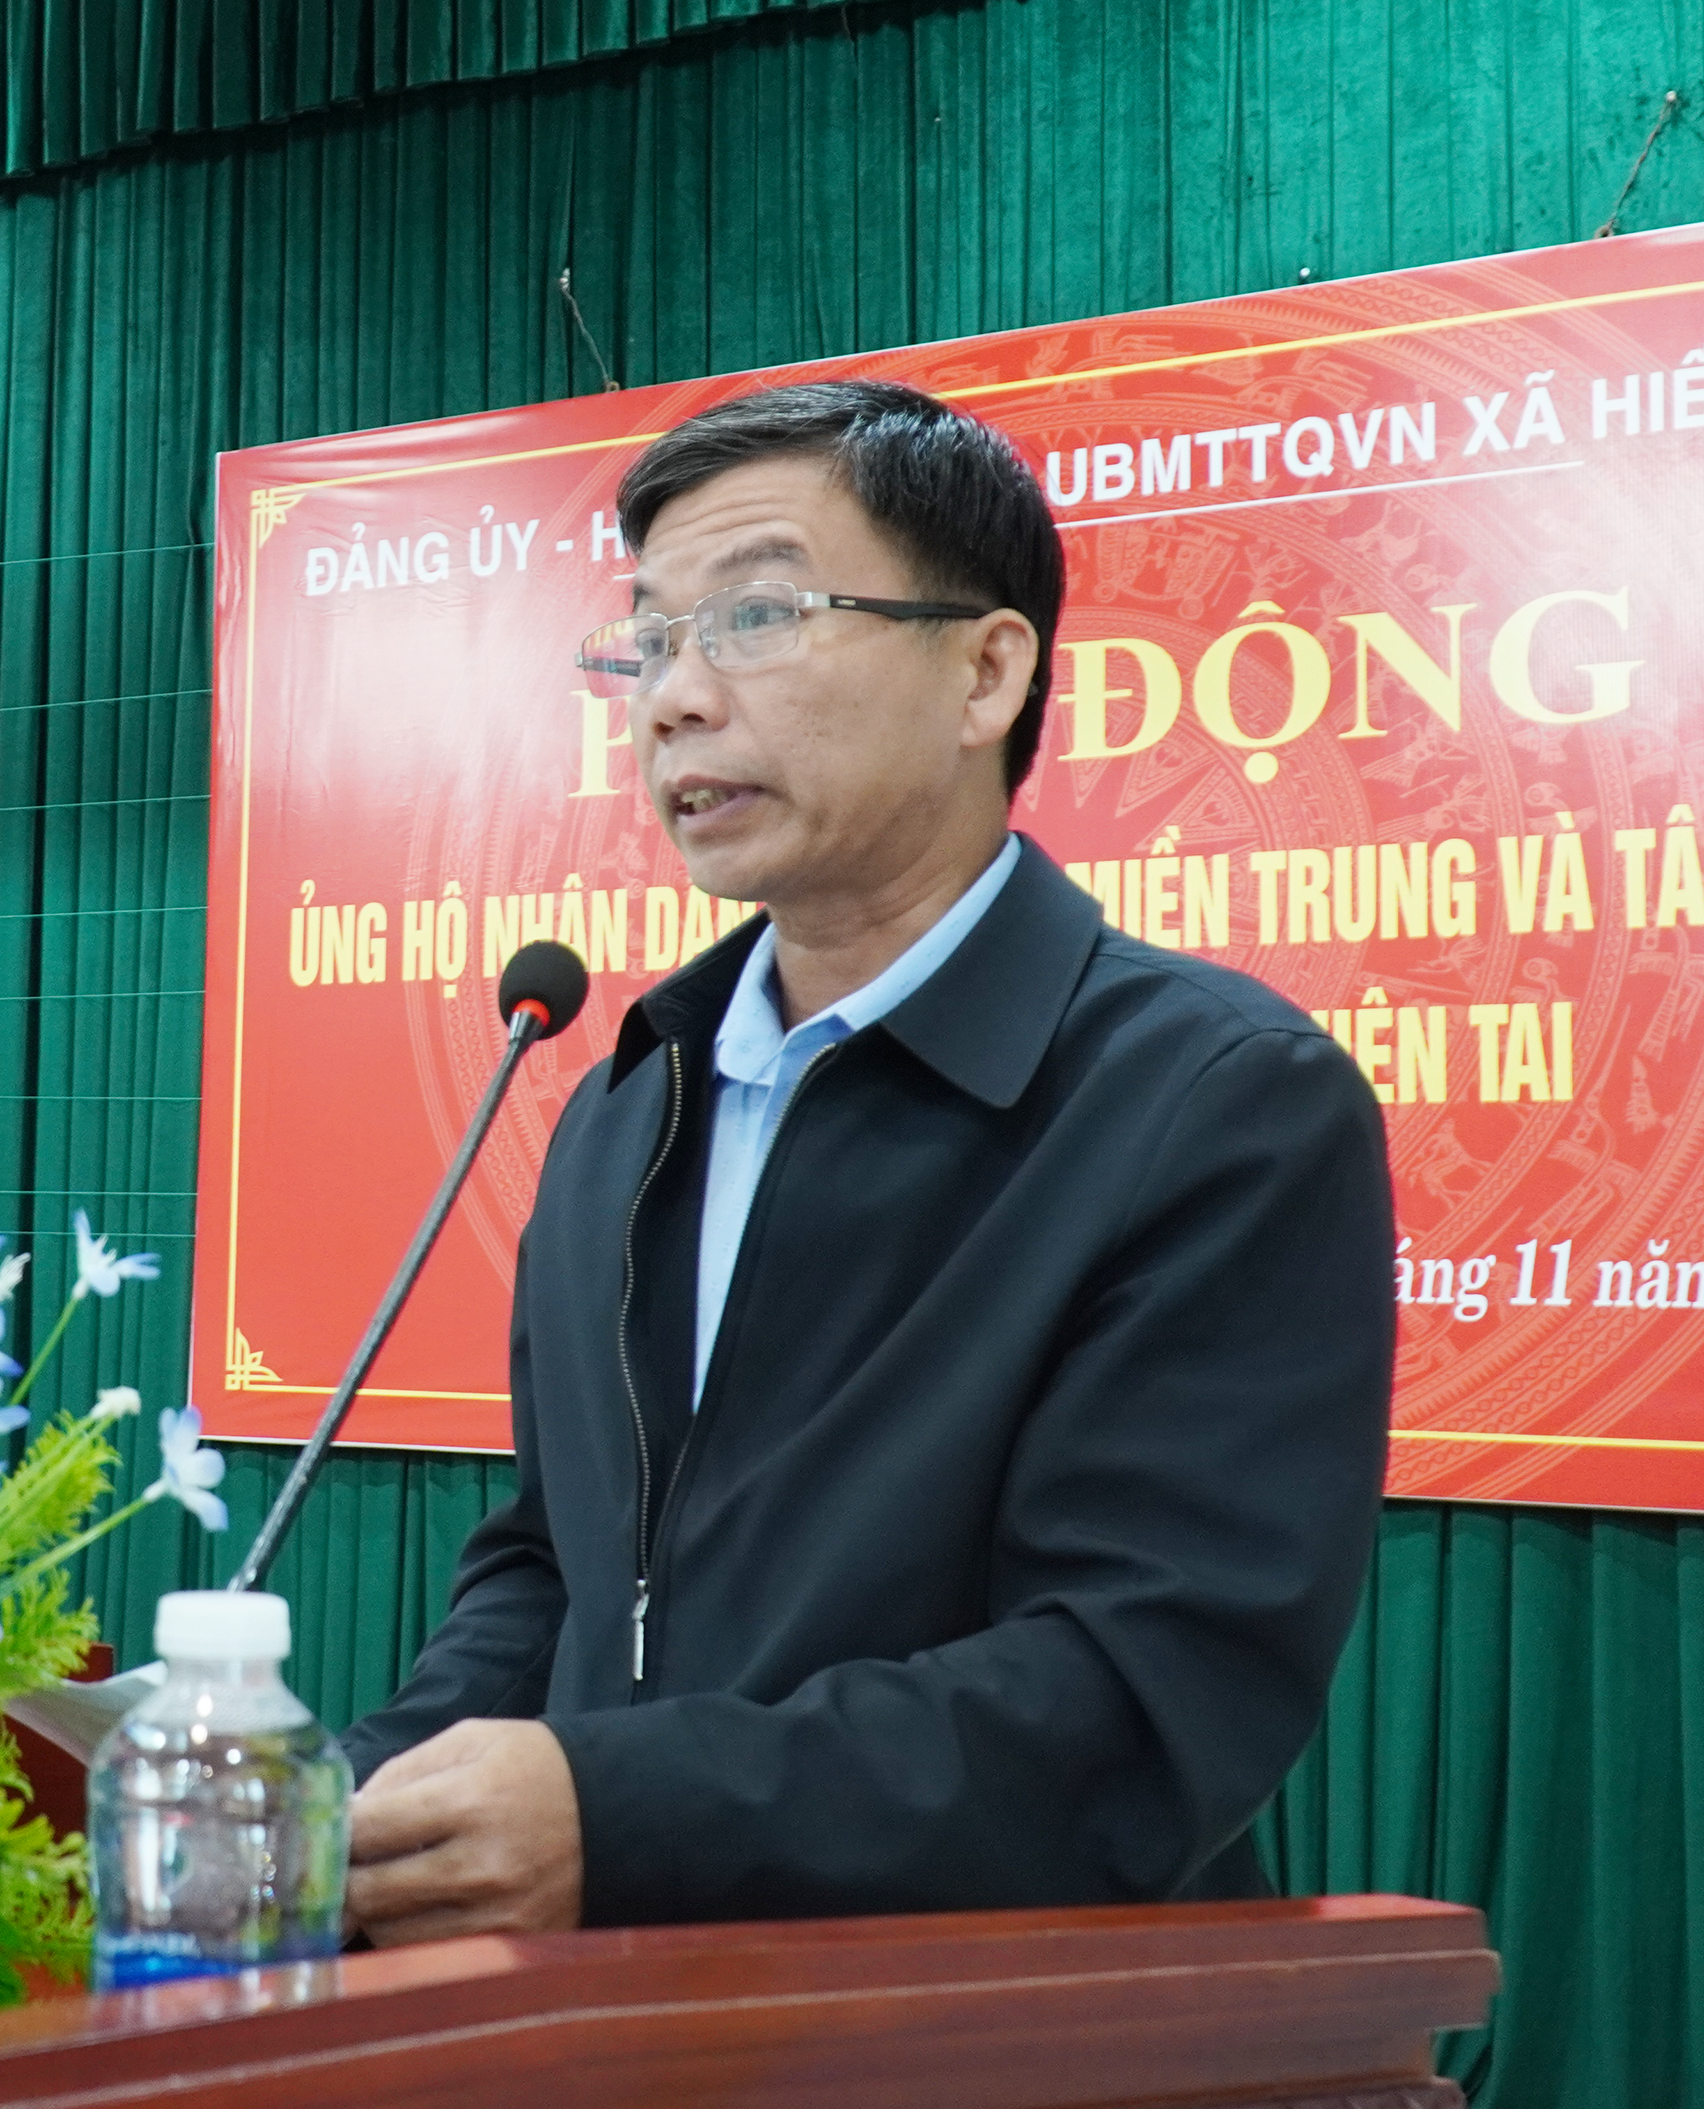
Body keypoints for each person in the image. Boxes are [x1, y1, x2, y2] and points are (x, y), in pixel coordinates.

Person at [339, 380, 1394, 1944]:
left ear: (986, 672)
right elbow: (559, 1561)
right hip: (594, 2020)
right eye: (648, 638)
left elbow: (1138, 1690)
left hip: (979, 2025)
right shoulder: (632, 1103)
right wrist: (349, 1803)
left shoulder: (1214, 1103)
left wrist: (625, 1818)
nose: (673, 698)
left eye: (755, 616)